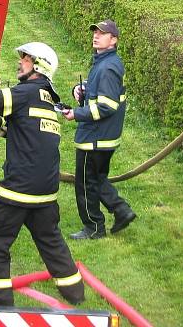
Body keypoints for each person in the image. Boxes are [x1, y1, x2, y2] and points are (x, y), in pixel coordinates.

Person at [0, 42, 85, 307]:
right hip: (46, 192)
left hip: (19, 189)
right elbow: (23, 135)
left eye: (25, 58)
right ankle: (75, 292)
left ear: (38, 65)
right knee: (50, 239)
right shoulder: (47, 100)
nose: (20, 62)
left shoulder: (26, 92)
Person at [60, 19, 135, 240]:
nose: (96, 36)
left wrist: (77, 113)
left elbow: (107, 105)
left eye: (102, 33)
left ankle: (93, 227)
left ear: (113, 40)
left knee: (85, 184)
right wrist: (81, 89)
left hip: (95, 137)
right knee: (97, 179)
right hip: (103, 136)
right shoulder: (105, 62)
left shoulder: (108, 67)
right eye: (95, 32)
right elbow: (101, 93)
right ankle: (121, 210)